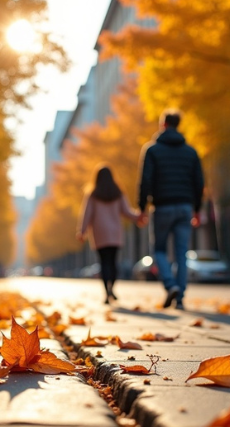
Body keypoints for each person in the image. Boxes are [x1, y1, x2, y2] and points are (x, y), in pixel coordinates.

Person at [137, 110, 205, 310]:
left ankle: (170, 284)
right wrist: (197, 209)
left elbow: (145, 181)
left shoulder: (152, 150)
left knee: (158, 250)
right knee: (181, 253)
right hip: (185, 207)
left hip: (163, 206)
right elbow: (199, 182)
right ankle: (180, 297)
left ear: (163, 125)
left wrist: (141, 208)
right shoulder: (191, 152)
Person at [77, 166, 143, 304]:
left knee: (104, 262)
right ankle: (112, 287)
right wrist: (139, 217)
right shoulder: (118, 193)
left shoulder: (93, 194)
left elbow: (86, 214)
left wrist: (82, 231)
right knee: (113, 262)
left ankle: (106, 292)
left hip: (99, 232)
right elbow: (127, 211)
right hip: (115, 232)